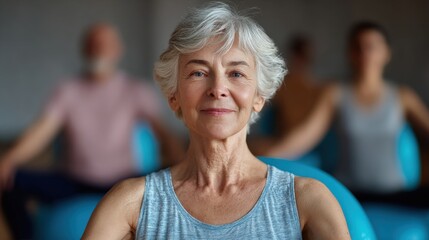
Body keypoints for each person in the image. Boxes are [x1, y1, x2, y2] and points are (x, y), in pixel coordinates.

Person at [82, 3, 350, 239]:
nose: (218, 88)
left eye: (236, 73)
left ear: (259, 97)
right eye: (198, 73)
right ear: (173, 96)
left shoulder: (308, 199)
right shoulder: (131, 202)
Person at [0, 23, 182, 239]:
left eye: (105, 44)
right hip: (74, 180)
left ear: (118, 50)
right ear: (84, 49)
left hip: (125, 180)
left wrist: (185, 164)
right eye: (94, 44)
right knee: (11, 180)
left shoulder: (135, 90)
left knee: (178, 180)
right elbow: (41, 132)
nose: (99, 49)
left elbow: (164, 134)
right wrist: (9, 159)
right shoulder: (68, 90)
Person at [267, 22, 429, 196]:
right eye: (358, 47)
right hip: (350, 195)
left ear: (386, 53)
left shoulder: (403, 97)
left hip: (398, 196)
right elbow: (305, 136)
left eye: (372, 47)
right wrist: (264, 159)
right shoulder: (335, 94)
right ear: (350, 53)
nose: (365, 53)